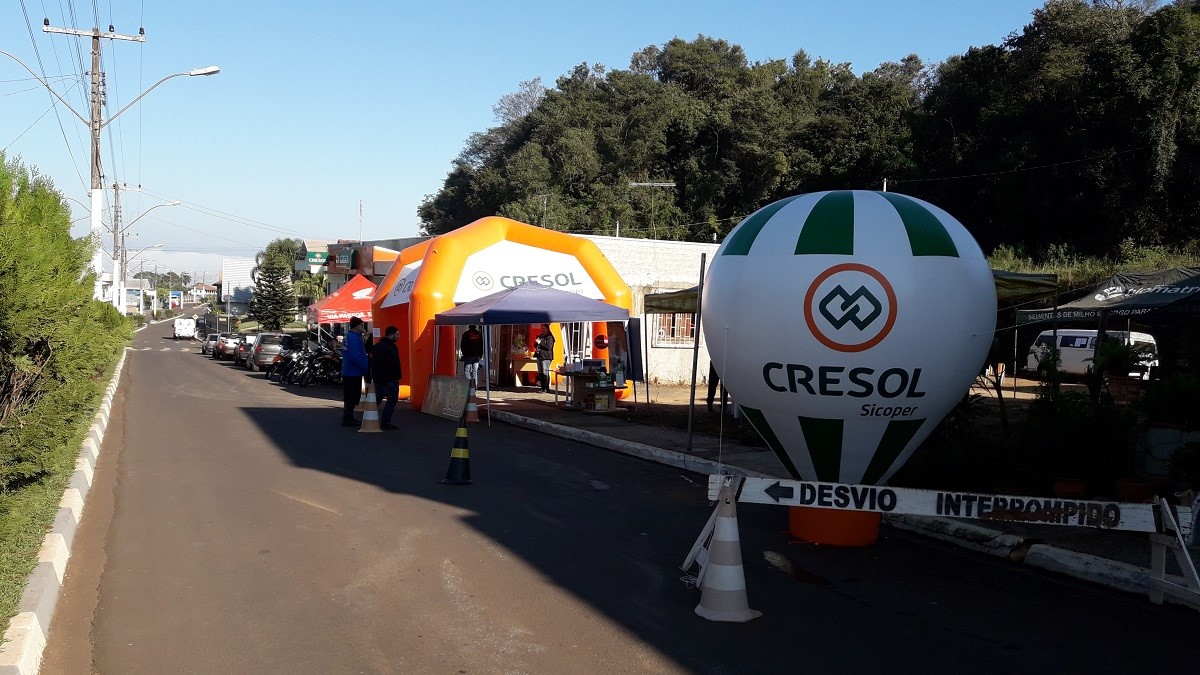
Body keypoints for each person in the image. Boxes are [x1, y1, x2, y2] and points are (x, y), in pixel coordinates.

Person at [340, 316, 370, 427]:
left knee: (349, 395)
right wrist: (364, 367)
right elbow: (355, 355)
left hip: (349, 370)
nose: (363, 326)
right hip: (354, 371)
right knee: (352, 396)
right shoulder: (354, 338)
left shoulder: (349, 337)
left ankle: (348, 417)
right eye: (361, 324)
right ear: (356, 326)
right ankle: (348, 418)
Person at [372, 325, 402, 430]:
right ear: (391, 335)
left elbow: (373, 362)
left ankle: (368, 415)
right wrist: (397, 376)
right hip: (390, 379)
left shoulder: (376, 346)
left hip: (378, 378)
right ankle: (385, 422)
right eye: (397, 334)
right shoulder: (392, 347)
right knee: (392, 400)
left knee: (377, 399)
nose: (399, 336)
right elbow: (394, 364)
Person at [534, 323, 555, 392]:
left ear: (547, 329)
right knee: (540, 372)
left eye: (544, 328)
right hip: (539, 356)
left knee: (545, 372)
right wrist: (536, 342)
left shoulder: (550, 337)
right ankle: (542, 388)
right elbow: (535, 345)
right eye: (542, 328)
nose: (542, 330)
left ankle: (546, 388)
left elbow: (548, 347)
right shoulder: (540, 336)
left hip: (546, 357)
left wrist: (540, 343)